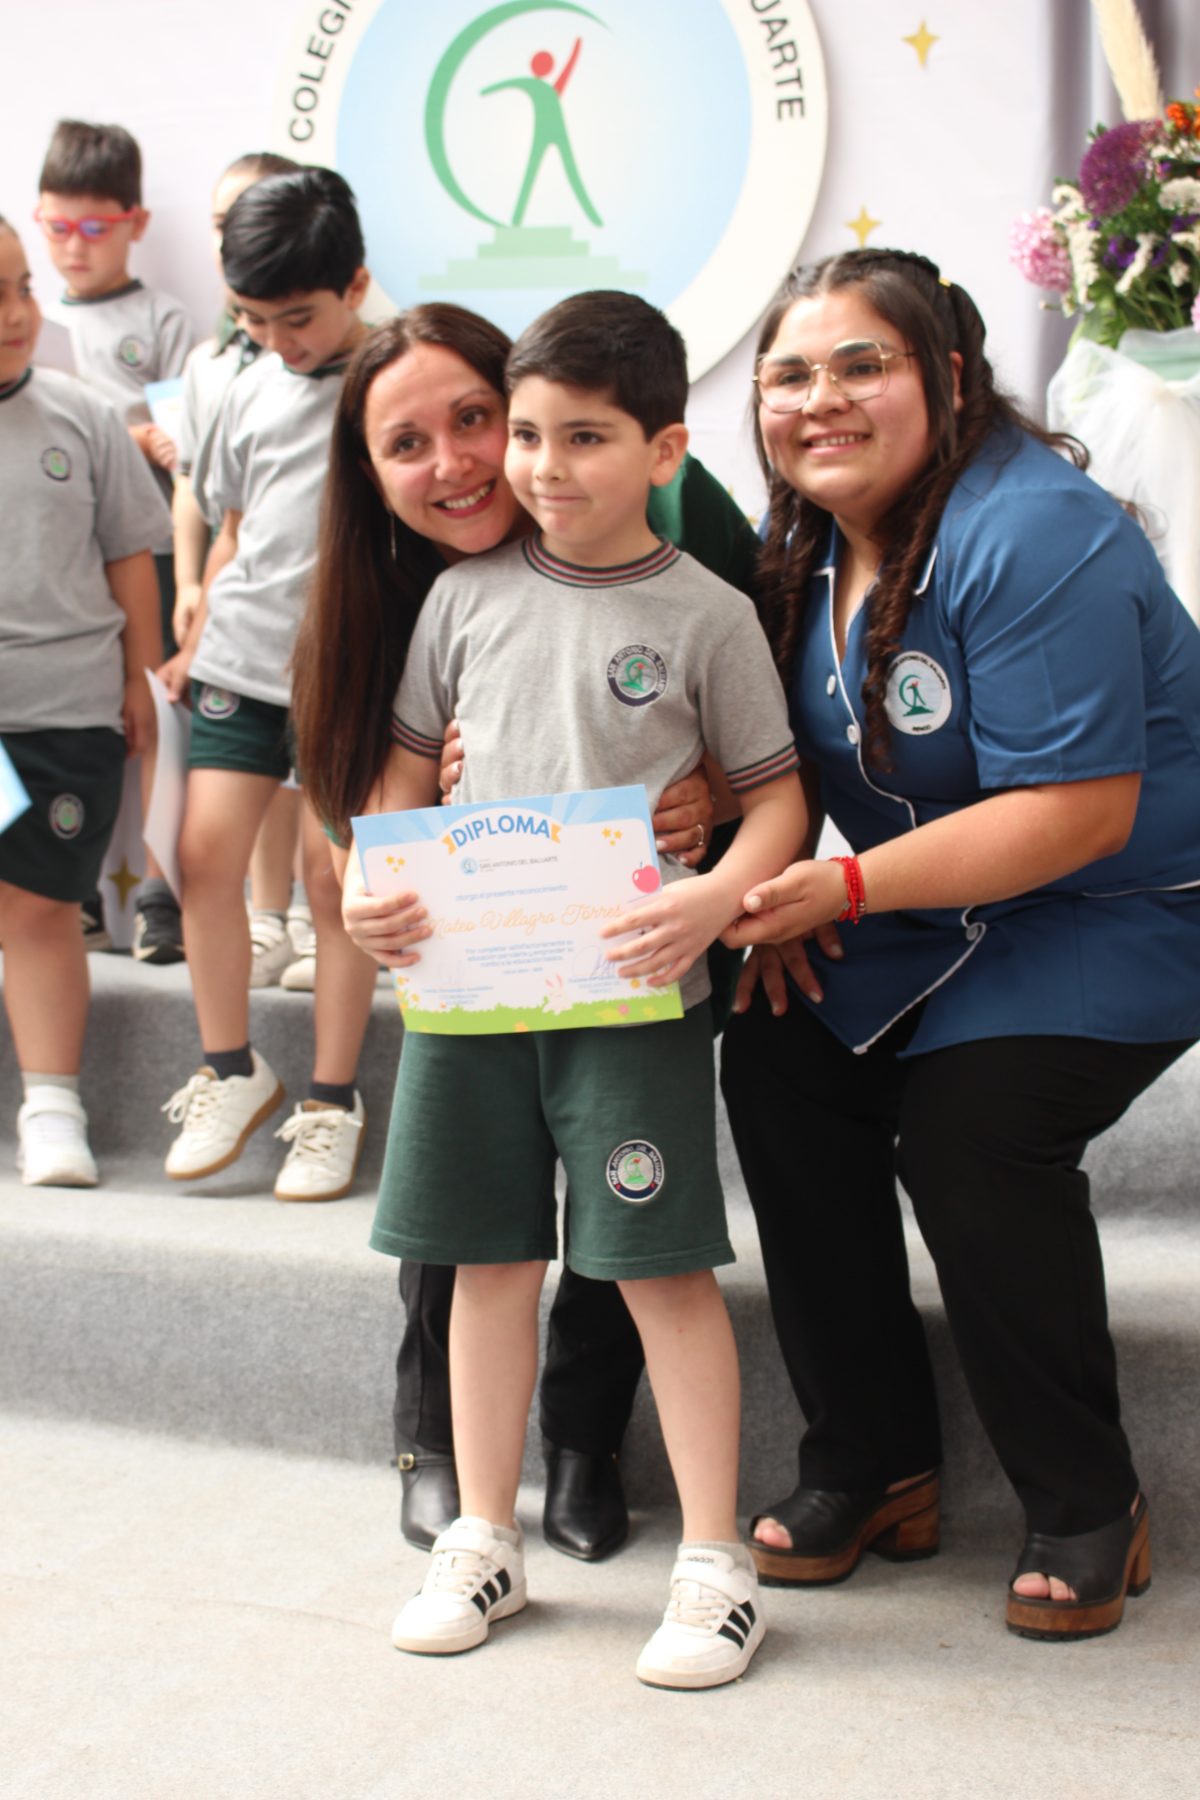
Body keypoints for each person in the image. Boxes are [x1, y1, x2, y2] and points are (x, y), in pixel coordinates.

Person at [718, 246, 1200, 1642]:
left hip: (1119, 907)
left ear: (947, 378)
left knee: (971, 1129)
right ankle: (873, 1464)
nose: (821, 399)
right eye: (790, 374)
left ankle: (1087, 1497)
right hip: (930, 906)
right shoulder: (805, 542)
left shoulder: (1036, 529)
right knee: (774, 1055)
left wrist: (839, 893)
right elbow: (797, 757)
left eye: (861, 364)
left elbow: (1078, 815)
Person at [337, 288, 805, 1686]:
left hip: (634, 996)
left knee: (662, 1271)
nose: (541, 468)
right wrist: (373, 882)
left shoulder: (709, 614)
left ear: (667, 450)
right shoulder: (458, 599)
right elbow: (403, 782)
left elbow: (777, 801)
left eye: (583, 438)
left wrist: (721, 899)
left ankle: (716, 1563)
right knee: (487, 1261)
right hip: (475, 1004)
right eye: (527, 433)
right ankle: (486, 1536)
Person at [158, 166, 378, 1204]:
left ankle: (332, 1097)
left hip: (347, 670)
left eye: (297, 318)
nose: (279, 340)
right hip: (241, 658)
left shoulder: (396, 379)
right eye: (253, 318)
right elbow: (236, 520)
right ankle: (231, 1067)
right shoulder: (237, 377)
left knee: (336, 886)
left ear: (357, 285)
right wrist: (199, 611)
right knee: (203, 859)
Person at [0, 214, 168, 1184]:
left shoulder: (84, 414)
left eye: (25, 288)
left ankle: (53, 1106)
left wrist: (141, 676)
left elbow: (129, 557)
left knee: (39, 908)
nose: (20, 314)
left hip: (65, 713)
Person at [36, 118, 195, 962]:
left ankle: (159, 896)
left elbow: (176, 443)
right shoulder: (28, 314)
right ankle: (77, 893)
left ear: (134, 223)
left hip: (148, 549)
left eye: (95, 228)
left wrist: (125, 434)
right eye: (58, 227)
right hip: (59, 561)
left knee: (152, 719)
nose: (74, 246)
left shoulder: (159, 318)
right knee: (78, 719)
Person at [170, 150, 307, 989]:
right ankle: (267, 918)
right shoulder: (217, 369)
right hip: (243, 625)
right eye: (224, 224)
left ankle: (301, 916)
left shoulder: (350, 362)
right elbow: (209, 500)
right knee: (232, 793)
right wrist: (192, 590)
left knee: (307, 777)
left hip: (322, 640)